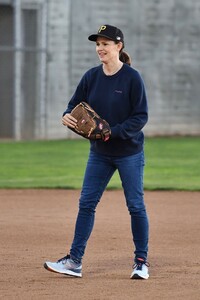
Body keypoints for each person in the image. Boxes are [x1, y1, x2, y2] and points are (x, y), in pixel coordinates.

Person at [44, 24, 150, 280]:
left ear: (118, 46)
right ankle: (74, 261)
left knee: (135, 205)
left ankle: (141, 262)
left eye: (105, 43)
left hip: (129, 152)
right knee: (86, 204)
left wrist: (113, 132)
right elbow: (73, 105)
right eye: (97, 44)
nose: (100, 48)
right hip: (100, 154)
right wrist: (66, 116)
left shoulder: (132, 78)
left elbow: (140, 117)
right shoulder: (91, 76)